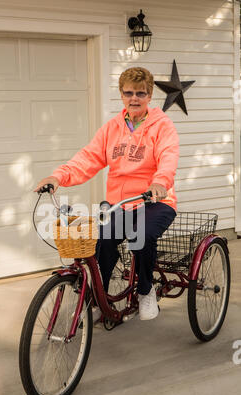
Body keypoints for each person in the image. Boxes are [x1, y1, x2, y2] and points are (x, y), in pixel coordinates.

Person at [35, 67, 179, 321]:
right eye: (128, 93)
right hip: (120, 204)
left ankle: (146, 291)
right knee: (101, 241)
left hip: (155, 200)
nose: (134, 98)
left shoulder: (162, 126)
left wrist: (160, 182)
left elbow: (168, 158)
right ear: (121, 94)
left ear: (150, 95)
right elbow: (87, 158)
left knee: (141, 236)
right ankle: (97, 297)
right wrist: (58, 177)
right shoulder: (112, 128)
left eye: (140, 93)